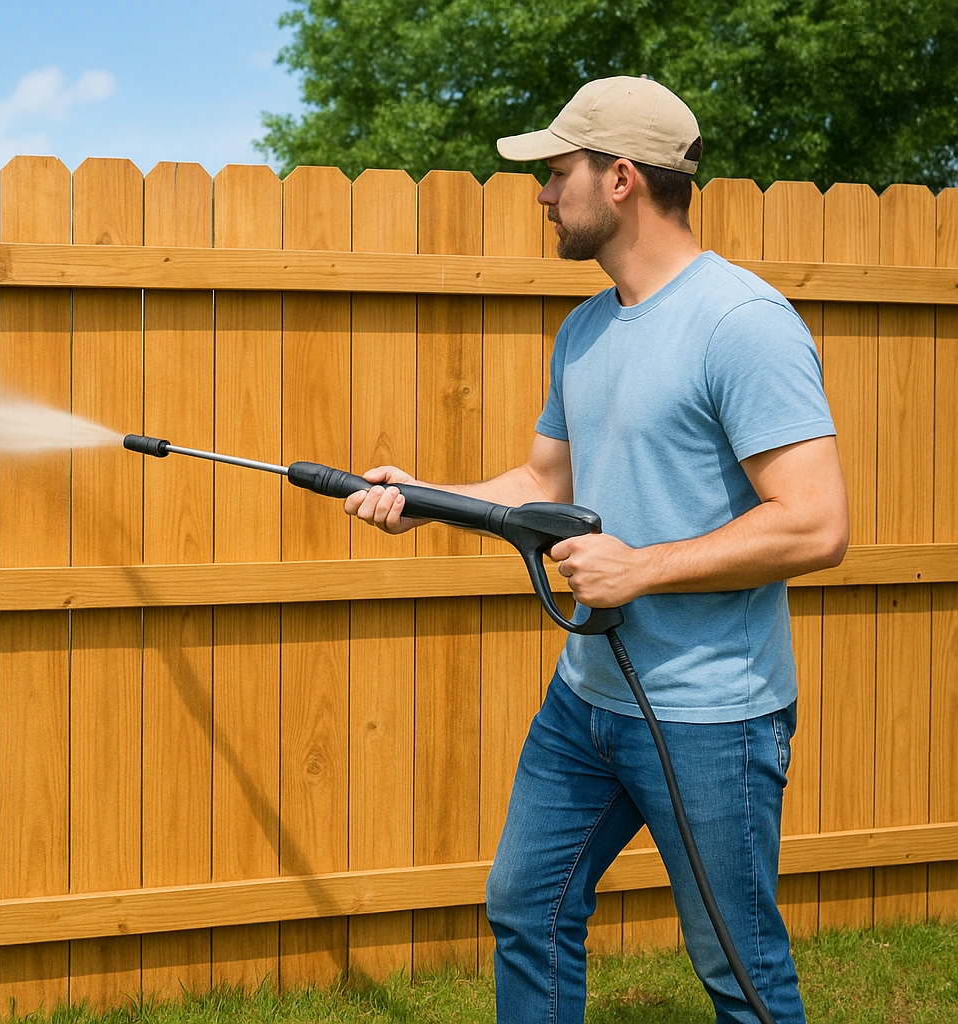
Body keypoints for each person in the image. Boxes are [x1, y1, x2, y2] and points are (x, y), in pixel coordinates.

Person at [345, 76, 848, 1024]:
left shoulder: (742, 325)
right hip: (587, 699)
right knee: (525, 907)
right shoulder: (586, 329)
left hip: (711, 715)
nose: (540, 193)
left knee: (736, 969)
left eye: (555, 172)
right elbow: (544, 487)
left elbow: (815, 524)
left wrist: (643, 566)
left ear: (620, 178)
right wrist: (426, 500)